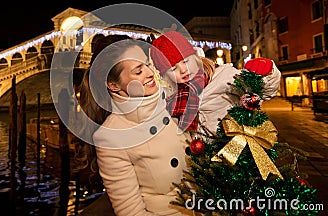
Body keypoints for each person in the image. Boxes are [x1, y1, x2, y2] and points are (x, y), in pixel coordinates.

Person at [77, 34, 193, 216]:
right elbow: (131, 212)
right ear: (114, 85)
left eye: (147, 64)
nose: (149, 73)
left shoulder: (177, 100)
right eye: (138, 71)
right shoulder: (111, 137)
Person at [150, 30, 281, 136]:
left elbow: (260, 90)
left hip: (236, 150)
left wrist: (267, 73)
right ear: (165, 74)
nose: (183, 70)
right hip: (205, 162)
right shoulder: (174, 98)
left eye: (186, 61)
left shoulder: (223, 76)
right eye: (173, 69)